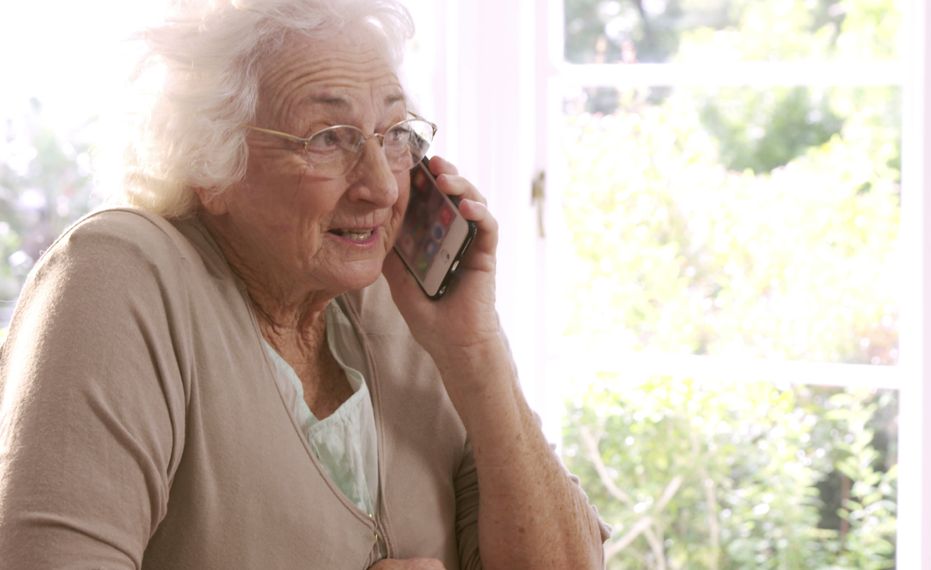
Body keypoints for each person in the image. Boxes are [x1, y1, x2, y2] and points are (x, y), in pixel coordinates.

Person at [0, 0, 608, 568]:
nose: (385, 187)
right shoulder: (119, 279)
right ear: (210, 160)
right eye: (328, 139)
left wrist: (475, 352)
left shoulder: (404, 306)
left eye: (395, 134)